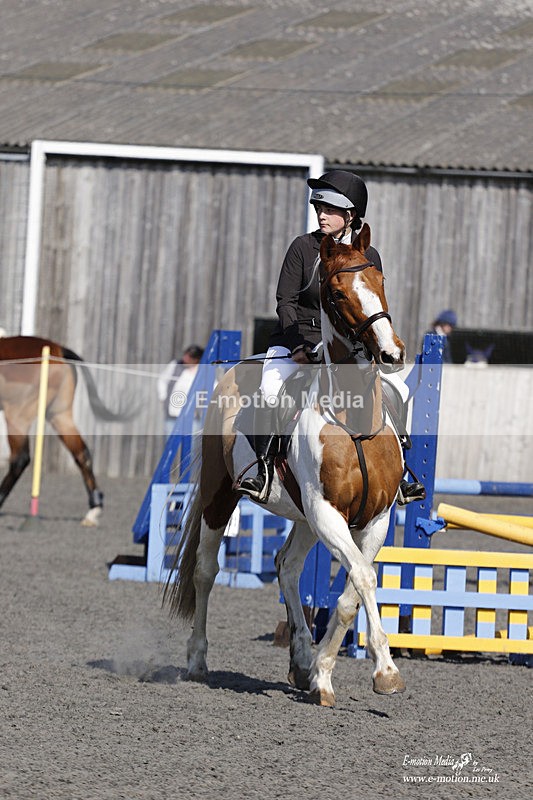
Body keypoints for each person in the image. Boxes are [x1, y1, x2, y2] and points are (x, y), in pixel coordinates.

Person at [237, 169, 425, 505]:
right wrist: (298, 345)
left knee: (400, 388)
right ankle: (262, 470)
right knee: (268, 388)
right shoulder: (303, 247)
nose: (322, 215)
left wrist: (377, 345)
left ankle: (400, 473)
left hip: (350, 347)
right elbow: (286, 301)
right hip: (299, 336)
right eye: (318, 208)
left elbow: (373, 306)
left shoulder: (370, 256)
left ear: (350, 215)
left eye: (330, 209)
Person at [157, 344, 204, 438]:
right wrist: (163, 397)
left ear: (196, 359)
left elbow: (214, 386)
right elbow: (162, 380)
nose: (185, 358)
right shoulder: (175, 365)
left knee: (192, 445)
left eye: (190, 357)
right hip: (173, 413)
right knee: (170, 442)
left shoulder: (202, 370)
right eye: (186, 355)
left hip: (192, 416)